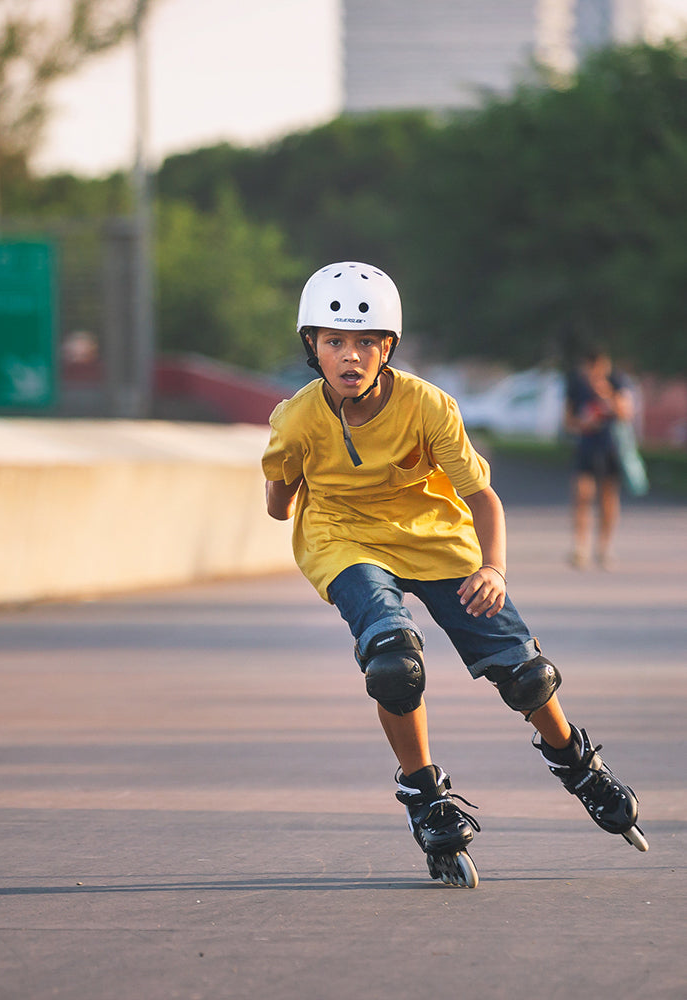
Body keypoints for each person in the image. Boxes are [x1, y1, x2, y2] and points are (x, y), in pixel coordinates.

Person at [262, 262, 647, 887]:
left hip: (435, 538)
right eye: (334, 342)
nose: (350, 356)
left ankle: (577, 763)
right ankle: (425, 797)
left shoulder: (427, 405)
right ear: (312, 345)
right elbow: (280, 508)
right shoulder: (297, 418)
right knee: (393, 662)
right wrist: (292, 474)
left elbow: (482, 498)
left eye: (366, 342)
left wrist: (494, 567)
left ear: (389, 348)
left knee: (525, 674)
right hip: (345, 541)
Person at [564, 350, 635, 569]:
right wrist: (583, 423)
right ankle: (580, 547)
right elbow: (568, 420)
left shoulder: (617, 381)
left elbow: (625, 413)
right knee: (582, 496)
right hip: (586, 448)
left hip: (610, 447)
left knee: (608, 498)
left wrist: (605, 394)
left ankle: (604, 547)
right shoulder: (576, 385)